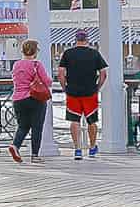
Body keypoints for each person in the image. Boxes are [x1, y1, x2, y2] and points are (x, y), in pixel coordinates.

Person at [56, 31, 110, 160]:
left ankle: (77, 149)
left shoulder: (68, 53)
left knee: (74, 120)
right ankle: (92, 147)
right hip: (90, 91)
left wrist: (65, 87)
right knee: (92, 120)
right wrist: (98, 88)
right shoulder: (94, 53)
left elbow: (60, 74)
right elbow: (103, 74)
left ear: (75, 39)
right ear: (87, 39)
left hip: (73, 91)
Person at [8, 38, 51, 164]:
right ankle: (35, 155)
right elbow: (47, 81)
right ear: (35, 51)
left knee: (23, 126)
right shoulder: (36, 64)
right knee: (37, 127)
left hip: (17, 99)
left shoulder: (16, 65)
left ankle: (15, 146)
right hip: (34, 98)